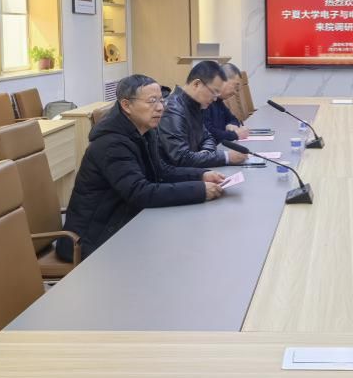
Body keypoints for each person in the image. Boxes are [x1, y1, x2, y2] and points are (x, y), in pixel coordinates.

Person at [58, 75, 226, 261]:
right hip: (92, 240)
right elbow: (140, 192)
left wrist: (201, 175)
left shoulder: (144, 130)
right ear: (126, 105)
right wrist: (199, 191)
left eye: (161, 100)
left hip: (124, 222)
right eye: (152, 101)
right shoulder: (111, 144)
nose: (160, 107)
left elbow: (161, 171)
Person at [159, 61, 247, 168]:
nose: (215, 99)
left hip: (194, 170)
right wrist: (226, 157)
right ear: (196, 84)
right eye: (214, 92)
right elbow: (181, 157)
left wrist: (206, 155)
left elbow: (207, 137)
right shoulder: (173, 109)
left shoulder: (195, 104)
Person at [203, 62, 249, 142]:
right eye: (235, 86)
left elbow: (233, 119)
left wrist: (231, 125)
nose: (235, 92)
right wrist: (234, 135)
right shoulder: (204, 100)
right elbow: (207, 132)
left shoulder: (219, 101)